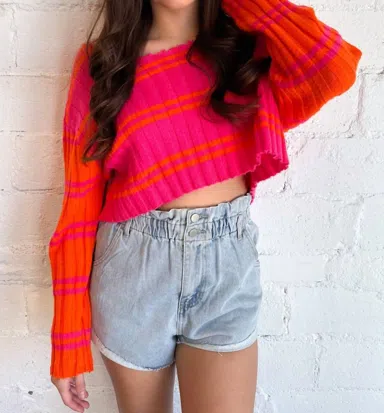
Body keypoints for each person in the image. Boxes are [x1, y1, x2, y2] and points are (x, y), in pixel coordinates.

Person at [48, 0, 362, 412]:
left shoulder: (248, 53)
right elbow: (79, 204)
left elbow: (335, 67)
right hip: (133, 272)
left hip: (225, 271)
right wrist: (67, 341)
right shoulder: (103, 64)